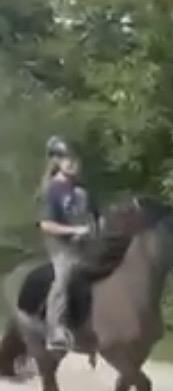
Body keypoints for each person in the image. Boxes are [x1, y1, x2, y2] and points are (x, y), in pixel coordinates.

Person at [38, 136, 99, 351]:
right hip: (61, 246)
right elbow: (46, 224)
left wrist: (99, 227)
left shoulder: (82, 191)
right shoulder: (52, 190)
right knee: (64, 278)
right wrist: (75, 230)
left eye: (75, 158)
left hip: (86, 244)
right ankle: (55, 330)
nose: (72, 163)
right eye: (66, 158)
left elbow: (96, 216)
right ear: (56, 161)